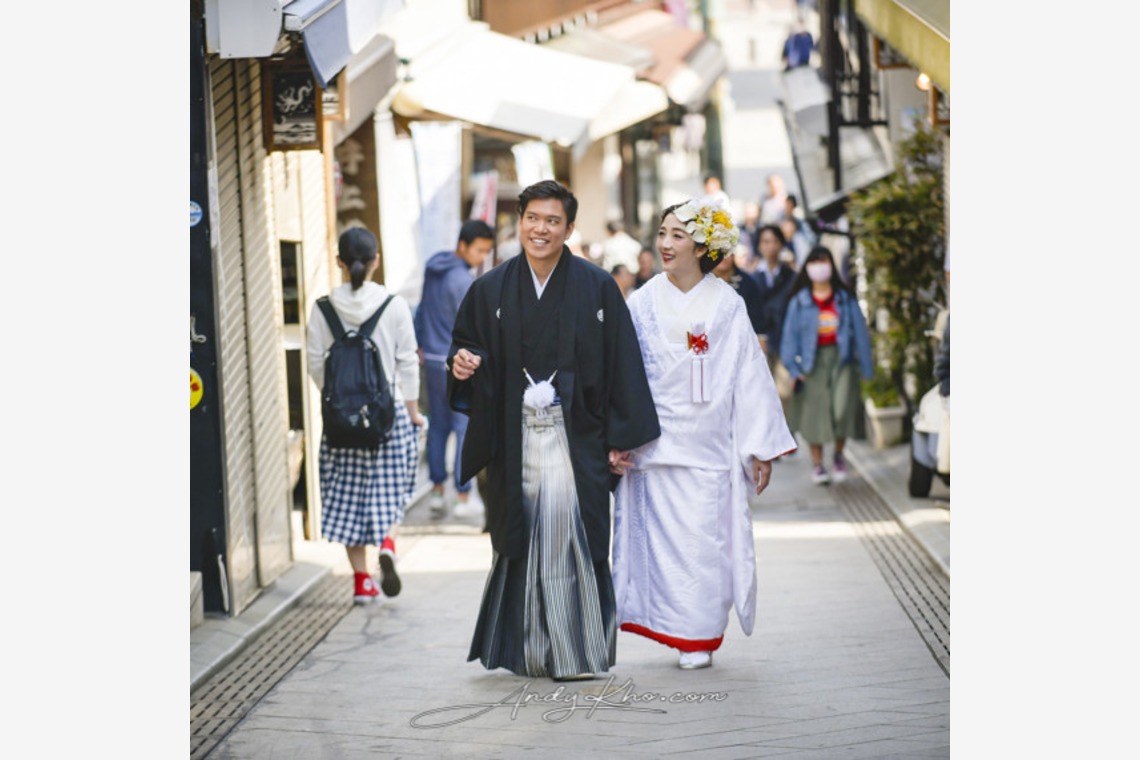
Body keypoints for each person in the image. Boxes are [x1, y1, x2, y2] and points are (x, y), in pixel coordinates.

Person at [448, 180, 661, 681]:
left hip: (576, 436)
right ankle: (529, 650)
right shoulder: (490, 288)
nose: (540, 229)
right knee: (520, 537)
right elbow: (466, 346)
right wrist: (460, 364)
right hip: (514, 435)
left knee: (572, 536)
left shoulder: (597, 286)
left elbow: (621, 364)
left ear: (568, 228)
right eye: (532, 219)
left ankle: (577, 651)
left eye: (552, 221)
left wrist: (619, 438)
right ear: (519, 221)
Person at [613, 198, 797, 671]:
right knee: (661, 546)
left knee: (702, 546)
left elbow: (748, 375)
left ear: (702, 246)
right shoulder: (642, 300)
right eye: (663, 233)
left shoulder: (728, 303)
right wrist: (618, 435)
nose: (666, 244)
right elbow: (622, 371)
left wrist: (758, 446)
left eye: (678, 235)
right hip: (653, 443)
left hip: (709, 445)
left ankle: (697, 635)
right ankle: (670, 626)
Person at [306, 228, 424, 603]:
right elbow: (407, 362)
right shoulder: (394, 305)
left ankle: (361, 583)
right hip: (387, 416)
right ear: (376, 261)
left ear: (340, 262)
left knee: (348, 496)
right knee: (390, 489)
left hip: (341, 423)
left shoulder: (323, 308)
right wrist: (413, 410)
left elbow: (313, 362)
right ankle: (387, 544)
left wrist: (338, 399)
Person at [414, 219, 495, 520]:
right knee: (462, 426)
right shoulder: (462, 280)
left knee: (438, 425)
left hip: (430, 358)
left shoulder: (432, 269)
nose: (481, 258)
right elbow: (473, 327)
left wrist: (421, 344)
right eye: (479, 250)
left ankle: (437, 492)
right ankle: (462, 495)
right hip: (454, 360)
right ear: (463, 246)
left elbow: (421, 310)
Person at [779, 245, 873, 485]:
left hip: (842, 361)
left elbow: (861, 333)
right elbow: (788, 339)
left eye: (824, 262)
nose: (819, 267)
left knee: (842, 410)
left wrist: (866, 368)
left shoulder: (845, 298)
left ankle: (839, 456)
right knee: (815, 414)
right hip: (811, 363)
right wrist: (794, 370)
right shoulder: (799, 302)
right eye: (814, 262)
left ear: (832, 266)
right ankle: (819, 464)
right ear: (807, 267)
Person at [712, 242, 765, 336]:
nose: (723, 257)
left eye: (727, 253)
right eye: (718, 252)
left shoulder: (748, 283)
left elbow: (757, 321)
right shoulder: (701, 280)